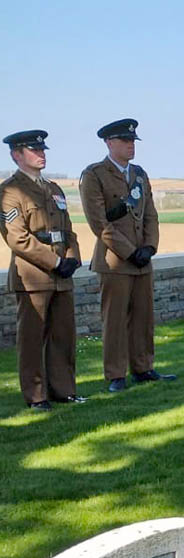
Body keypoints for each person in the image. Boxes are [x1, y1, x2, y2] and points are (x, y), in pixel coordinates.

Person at [79, 118, 176, 393]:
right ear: (110, 143)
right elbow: (99, 223)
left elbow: (151, 215)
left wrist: (149, 247)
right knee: (115, 320)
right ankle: (115, 374)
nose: (131, 145)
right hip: (115, 261)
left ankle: (143, 367)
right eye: (125, 141)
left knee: (144, 318)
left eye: (133, 141)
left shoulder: (140, 175)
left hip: (142, 260)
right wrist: (130, 252)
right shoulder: (95, 175)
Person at [0, 130, 85, 410]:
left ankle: (63, 390)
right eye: (34, 150)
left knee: (63, 335)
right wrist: (55, 262)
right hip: (34, 276)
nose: (41, 154)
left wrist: (72, 257)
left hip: (61, 277)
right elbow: (17, 238)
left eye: (43, 150)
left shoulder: (54, 189)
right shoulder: (10, 191)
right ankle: (36, 396)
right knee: (32, 338)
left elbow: (68, 230)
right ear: (16, 155)